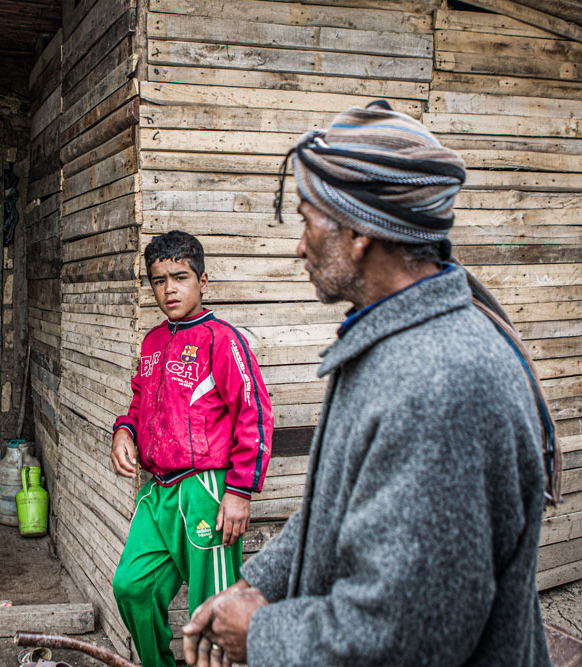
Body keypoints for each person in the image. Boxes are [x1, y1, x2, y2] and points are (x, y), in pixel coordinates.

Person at [183, 101, 558, 666]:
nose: (299, 246)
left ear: (359, 232)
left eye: (308, 221)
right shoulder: (393, 342)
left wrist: (262, 632)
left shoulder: (440, 383)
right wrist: (252, 585)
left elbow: (410, 633)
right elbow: (337, 507)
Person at [110, 230, 274, 667]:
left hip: (206, 492)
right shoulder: (153, 342)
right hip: (157, 492)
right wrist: (124, 430)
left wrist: (239, 492)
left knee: (213, 609)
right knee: (132, 586)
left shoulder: (223, 340)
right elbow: (140, 402)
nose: (169, 290)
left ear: (204, 281)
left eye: (180, 277)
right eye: (159, 280)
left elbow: (255, 414)